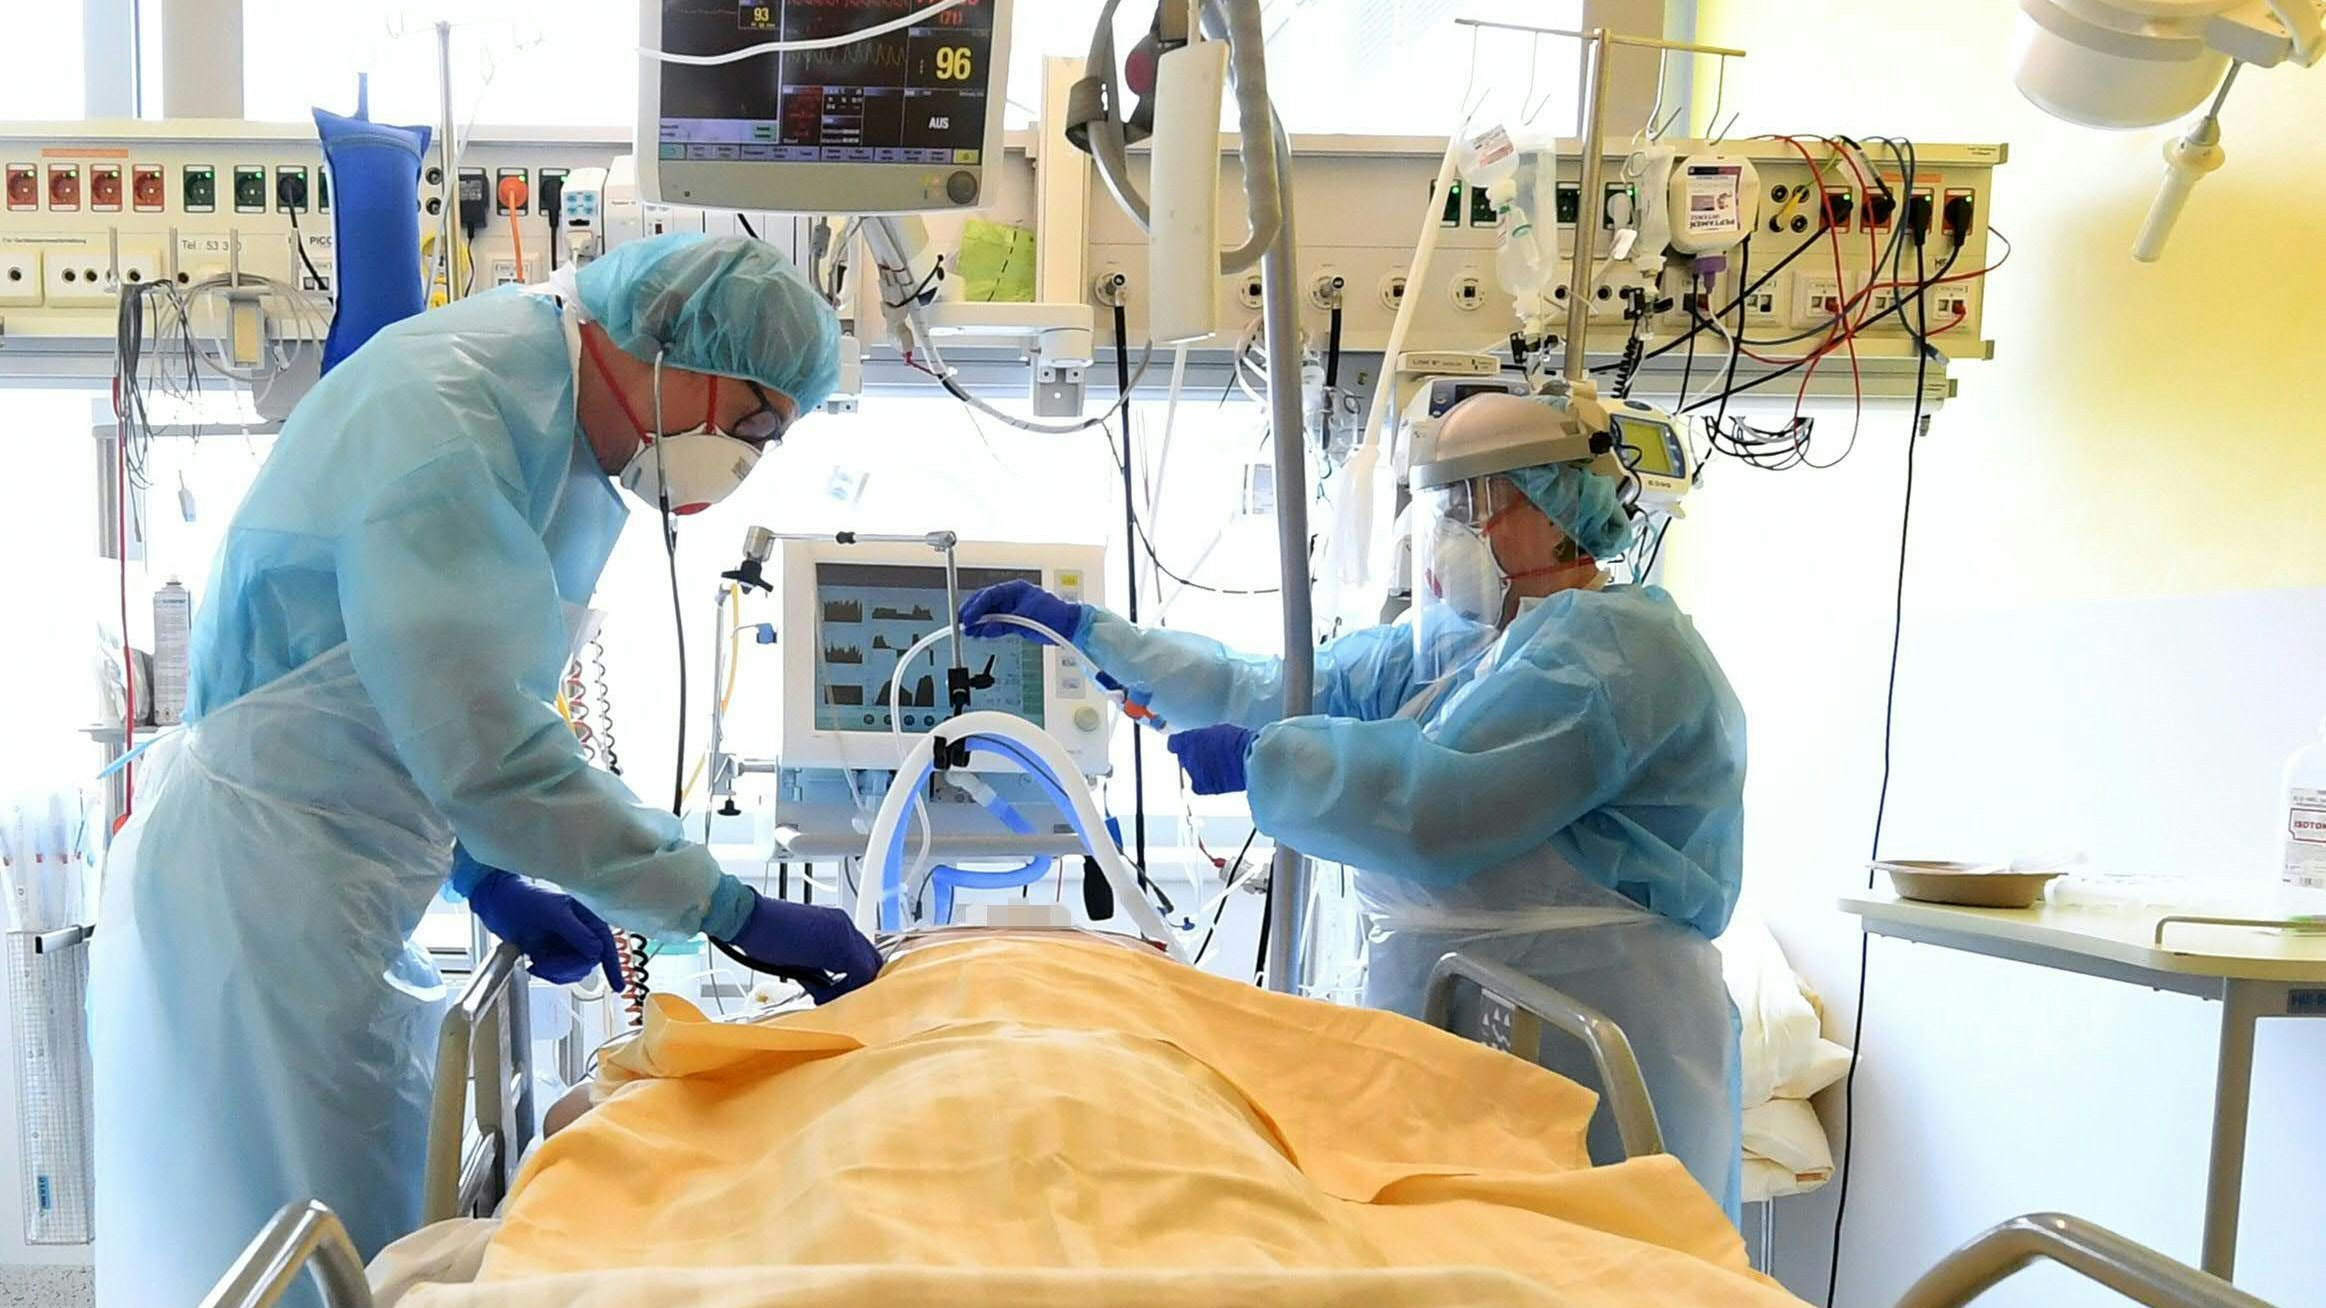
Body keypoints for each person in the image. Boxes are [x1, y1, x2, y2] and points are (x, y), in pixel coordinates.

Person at [88, 233, 882, 1307]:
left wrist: (479, 873)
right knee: (309, 1250)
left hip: (325, 877)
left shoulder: (547, 424)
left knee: (359, 1227)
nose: (745, 458)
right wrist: (728, 908)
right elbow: (486, 747)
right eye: (751, 424)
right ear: (674, 343)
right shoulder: (451, 414)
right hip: (261, 901)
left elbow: (407, 695)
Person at [959, 392, 1747, 1213]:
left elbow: (1436, 805)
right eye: (1443, 507)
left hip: (1607, 1022)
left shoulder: (1618, 654)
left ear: (1559, 512)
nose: (1452, 532)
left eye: (1478, 505)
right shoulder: (1458, 649)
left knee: (1608, 1245)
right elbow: (1271, 687)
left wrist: (1262, 760)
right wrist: (1092, 635)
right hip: (1464, 1012)